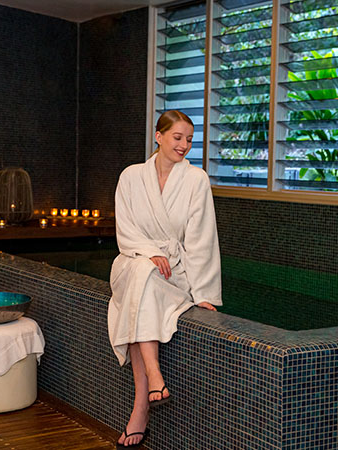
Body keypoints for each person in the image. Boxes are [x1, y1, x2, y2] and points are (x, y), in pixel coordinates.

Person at [108, 110, 222, 449]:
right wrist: (147, 252)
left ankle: (140, 409)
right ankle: (154, 376)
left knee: (144, 286)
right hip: (131, 261)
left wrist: (204, 294)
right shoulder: (130, 177)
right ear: (158, 136)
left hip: (174, 272)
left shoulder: (196, 179)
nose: (184, 145)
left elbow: (201, 239)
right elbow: (124, 230)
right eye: (177, 137)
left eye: (189, 139)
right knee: (142, 273)